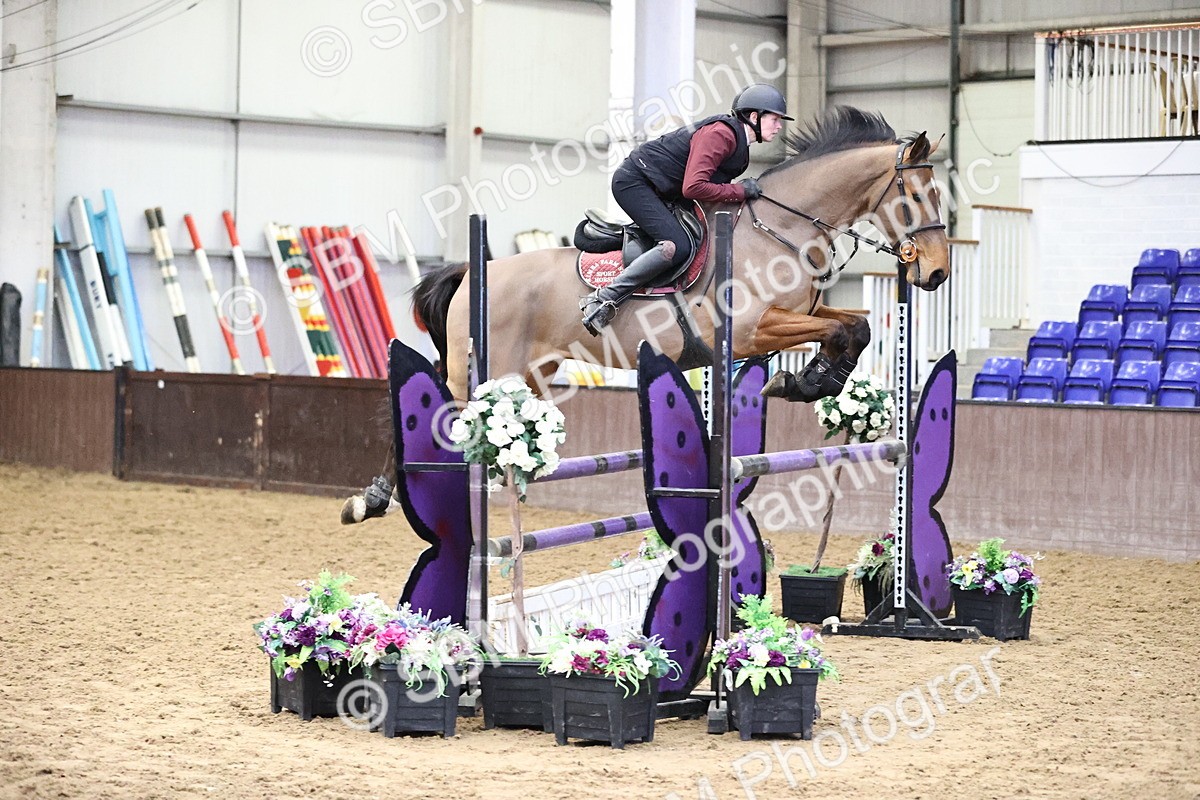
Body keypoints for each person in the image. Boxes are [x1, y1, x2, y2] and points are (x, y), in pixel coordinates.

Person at [580, 83, 792, 335]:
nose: (779, 126)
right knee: (676, 245)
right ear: (754, 117)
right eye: (775, 119)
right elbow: (694, 187)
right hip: (636, 183)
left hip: (665, 191)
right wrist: (741, 191)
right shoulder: (720, 135)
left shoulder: (740, 147)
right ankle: (603, 299)